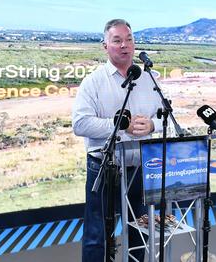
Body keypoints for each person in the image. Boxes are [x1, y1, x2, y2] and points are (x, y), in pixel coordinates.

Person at [73, 19, 163, 262]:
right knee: (97, 235)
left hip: (140, 169)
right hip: (104, 169)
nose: (125, 45)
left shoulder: (150, 79)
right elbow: (80, 124)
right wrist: (118, 125)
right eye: (117, 40)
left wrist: (154, 125)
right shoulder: (93, 82)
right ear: (105, 46)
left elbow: (170, 120)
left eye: (129, 39)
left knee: (139, 232)